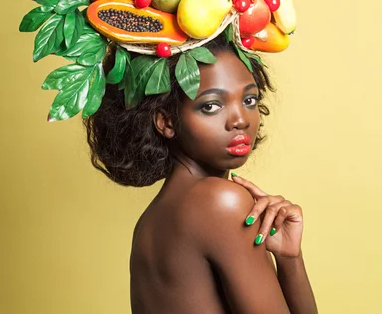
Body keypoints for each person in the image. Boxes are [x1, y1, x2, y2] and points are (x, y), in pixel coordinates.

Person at [84, 32, 318, 313]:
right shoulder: (220, 202)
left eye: (250, 100)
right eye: (211, 106)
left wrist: (291, 258)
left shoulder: (151, 222)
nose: (240, 120)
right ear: (166, 121)